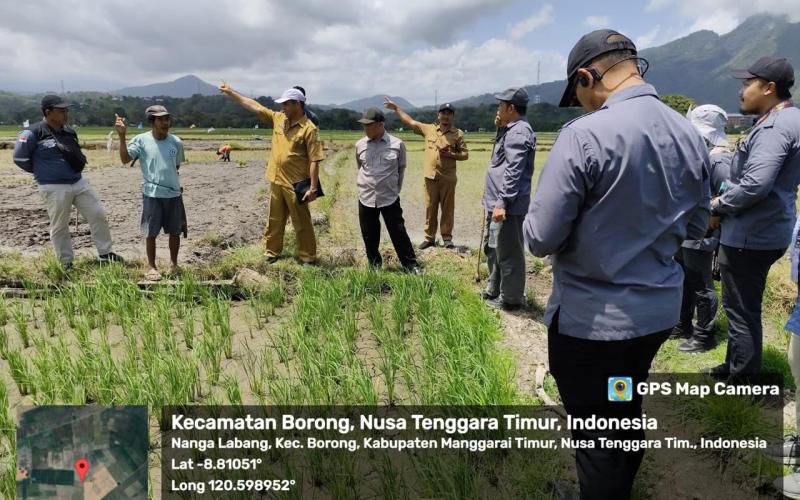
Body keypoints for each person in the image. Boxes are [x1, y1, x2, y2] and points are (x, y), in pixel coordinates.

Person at [523, 30, 710, 499]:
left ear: (587, 76)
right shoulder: (688, 133)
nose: (585, 106)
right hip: (652, 320)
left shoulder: (584, 135)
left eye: (580, 95)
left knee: (595, 434)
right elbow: (698, 226)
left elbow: (541, 238)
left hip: (593, 327)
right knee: (622, 409)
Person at [706, 56, 800, 381]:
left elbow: (755, 185)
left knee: (741, 310)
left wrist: (716, 205)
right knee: (741, 306)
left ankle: (742, 384)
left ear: (769, 88)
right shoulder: (787, 119)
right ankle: (734, 366)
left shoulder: (775, 127)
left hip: (750, 234)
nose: (742, 91)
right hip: (768, 228)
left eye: (748, 83)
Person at [13, 95, 123, 268]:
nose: (66, 114)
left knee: (97, 214)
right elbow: (20, 158)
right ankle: (66, 262)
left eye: (67, 110)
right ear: (48, 112)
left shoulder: (69, 131)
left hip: (78, 183)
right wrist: (43, 172)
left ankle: (105, 253)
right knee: (60, 225)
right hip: (53, 186)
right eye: (61, 110)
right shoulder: (33, 133)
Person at [220, 82, 323, 264]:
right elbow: (254, 106)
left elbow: (315, 159)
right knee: (274, 219)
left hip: (296, 183)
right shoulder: (278, 119)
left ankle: (308, 257)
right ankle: (272, 252)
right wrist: (231, 93)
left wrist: (313, 188)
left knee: (302, 223)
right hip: (275, 179)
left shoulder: (309, 129)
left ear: (297, 104)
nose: (282, 107)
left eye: (286, 104)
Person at [673, 104, 733, 352]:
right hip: (690, 228)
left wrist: (715, 213)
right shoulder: (708, 155)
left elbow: (729, 191)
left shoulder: (719, 159)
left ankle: (704, 335)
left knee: (700, 284)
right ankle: (682, 324)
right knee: (686, 279)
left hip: (702, 232)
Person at [383, 99, 468, 249]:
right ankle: (429, 238)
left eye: (449, 114)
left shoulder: (458, 134)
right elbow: (410, 122)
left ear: (453, 117)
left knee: (448, 208)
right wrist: (396, 108)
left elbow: (465, 155)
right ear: (438, 115)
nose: (446, 116)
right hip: (430, 177)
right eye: (443, 113)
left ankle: (447, 238)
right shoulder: (428, 129)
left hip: (448, 178)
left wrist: (450, 154)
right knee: (430, 207)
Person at [115, 105, 186, 281]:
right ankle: (152, 267)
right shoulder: (141, 140)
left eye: (167, 119)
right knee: (150, 232)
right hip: (152, 194)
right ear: (152, 122)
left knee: (175, 231)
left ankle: (174, 264)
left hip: (174, 194)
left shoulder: (176, 142)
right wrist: (122, 136)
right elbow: (125, 159)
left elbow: (176, 166)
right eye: (160, 119)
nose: (165, 122)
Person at [480, 88, 535, 311]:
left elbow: (514, 170)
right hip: (496, 205)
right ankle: (494, 288)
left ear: (511, 108)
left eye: (500, 105)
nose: (498, 109)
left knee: (509, 252)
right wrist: (501, 127)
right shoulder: (509, 130)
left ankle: (511, 299)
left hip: (506, 208)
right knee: (494, 248)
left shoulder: (519, 132)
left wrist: (502, 202)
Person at [354, 108, 420, 273]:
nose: (366, 129)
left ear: (380, 124)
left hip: (389, 197)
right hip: (366, 197)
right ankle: (374, 265)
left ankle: (410, 265)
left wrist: (394, 190)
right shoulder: (360, 145)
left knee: (398, 232)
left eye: (369, 126)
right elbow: (360, 167)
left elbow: (401, 169)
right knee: (369, 234)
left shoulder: (397, 145)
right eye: (364, 126)